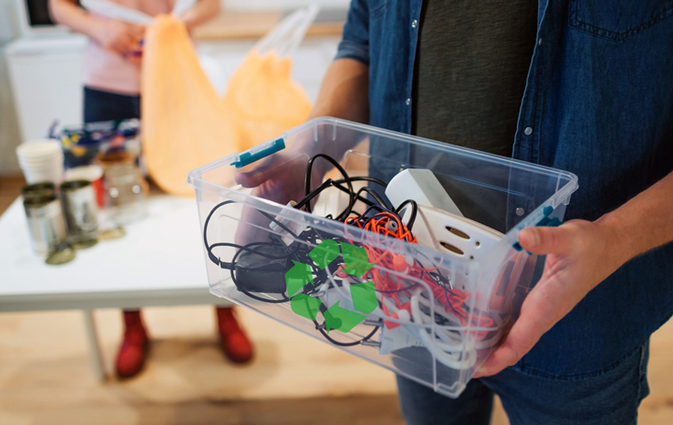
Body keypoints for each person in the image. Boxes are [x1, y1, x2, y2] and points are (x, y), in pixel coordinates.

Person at [235, 1, 673, 424]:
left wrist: (613, 239)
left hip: (576, 311)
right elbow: (362, 43)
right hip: (404, 283)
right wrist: (313, 144)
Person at [50, 0, 254, 379]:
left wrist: (174, 27)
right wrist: (100, 29)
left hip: (177, 79)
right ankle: (132, 323)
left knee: (200, 198)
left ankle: (225, 309)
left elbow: (211, 4)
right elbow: (58, 6)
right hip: (108, 88)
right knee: (115, 210)